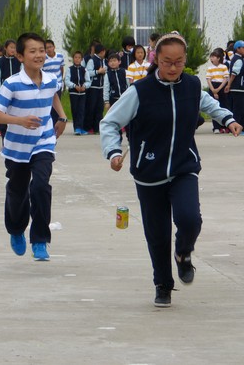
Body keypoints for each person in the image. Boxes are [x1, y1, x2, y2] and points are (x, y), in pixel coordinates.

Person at [100, 32, 243, 308]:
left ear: (185, 60)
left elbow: (208, 104)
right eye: (167, 62)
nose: (173, 67)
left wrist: (228, 119)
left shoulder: (191, 85)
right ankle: (163, 285)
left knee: (190, 220)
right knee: (157, 234)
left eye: (179, 62)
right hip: (149, 171)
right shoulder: (140, 91)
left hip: (183, 166)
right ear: (157, 60)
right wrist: (113, 152)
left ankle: (183, 253)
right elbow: (110, 122)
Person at [0, 32, 68, 261]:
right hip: (17, 147)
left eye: (42, 50)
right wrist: (19, 121)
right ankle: (16, 229)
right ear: (21, 56)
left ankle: (40, 239)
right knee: (18, 191)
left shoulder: (51, 78)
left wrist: (62, 117)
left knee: (41, 187)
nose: (39, 55)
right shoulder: (12, 83)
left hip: (44, 141)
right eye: (32, 51)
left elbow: (53, 95)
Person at [64, 51, 91, 135]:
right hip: (73, 93)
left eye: (79, 58)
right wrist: (74, 86)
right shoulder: (70, 69)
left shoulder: (84, 69)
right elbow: (67, 81)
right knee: (75, 110)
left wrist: (84, 86)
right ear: (73, 58)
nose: (77, 59)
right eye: (75, 57)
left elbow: (88, 81)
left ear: (81, 59)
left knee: (81, 110)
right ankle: (76, 128)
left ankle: (81, 127)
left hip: (82, 94)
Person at [84, 43, 107, 134]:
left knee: (99, 108)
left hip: (101, 87)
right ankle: (89, 127)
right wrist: (98, 71)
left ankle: (97, 128)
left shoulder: (103, 60)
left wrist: (104, 71)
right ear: (102, 52)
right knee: (91, 108)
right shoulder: (92, 60)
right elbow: (87, 72)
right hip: (93, 87)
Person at [206, 49, 229, 133]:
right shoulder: (210, 68)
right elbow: (208, 79)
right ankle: (216, 127)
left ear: (218, 58)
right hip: (213, 85)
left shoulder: (224, 67)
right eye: (211, 57)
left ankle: (224, 126)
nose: (211, 58)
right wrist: (213, 90)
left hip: (221, 86)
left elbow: (225, 79)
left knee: (223, 106)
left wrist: (219, 89)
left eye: (213, 57)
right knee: (214, 107)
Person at [225, 40, 244, 127]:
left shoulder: (236, 58)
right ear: (238, 49)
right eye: (243, 48)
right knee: (239, 109)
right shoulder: (238, 59)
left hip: (237, 88)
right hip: (238, 88)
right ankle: (237, 127)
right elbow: (234, 73)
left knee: (238, 108)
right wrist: (229, 85)